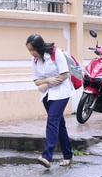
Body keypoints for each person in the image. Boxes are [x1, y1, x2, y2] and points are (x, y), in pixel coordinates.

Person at [25, 34, 74, 168]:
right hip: (48, 94)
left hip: (62, 92)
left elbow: (64, 75)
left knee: (52, 120)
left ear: (39, 46)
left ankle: (47, 156)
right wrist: (47, 81)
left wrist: (46, 84)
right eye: (29, 50)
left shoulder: (55, 53)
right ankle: (68, 155)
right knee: (59, 124)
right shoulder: (34, 60)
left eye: (33, 49)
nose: (32, 53)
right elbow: (36, 81)